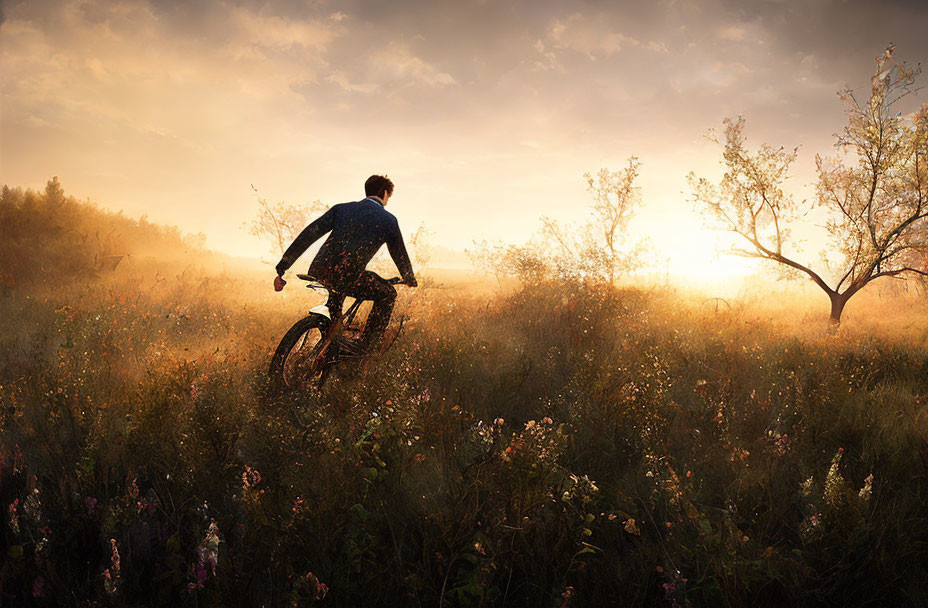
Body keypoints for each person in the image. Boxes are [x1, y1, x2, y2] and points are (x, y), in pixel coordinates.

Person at [273, 175, 417, 354]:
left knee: (335, 310)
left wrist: (283, 267)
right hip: (349, 276)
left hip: (320, 269)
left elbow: (309, 234)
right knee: (387, 293)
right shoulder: (388, 219)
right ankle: (367, 347)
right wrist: (408, 276)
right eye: (389, 196)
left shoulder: (341, 209)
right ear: (385, 192)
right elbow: (398, 252)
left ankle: (330, 345)